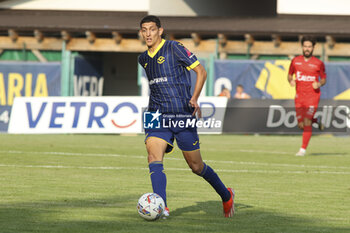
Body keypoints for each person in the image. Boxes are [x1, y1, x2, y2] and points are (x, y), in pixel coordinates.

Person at [138, 15, 235, 218]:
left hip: (182, 112)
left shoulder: (174, 47)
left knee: (196, 166)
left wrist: (195, 98)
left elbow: (201, 71)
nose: (148, 33)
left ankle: (226, 195)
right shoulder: (143, 59)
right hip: (156, 114)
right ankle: (161, 207)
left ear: (160, 31)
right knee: (153, 157)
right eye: (144, 30)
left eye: (152, 29)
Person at [288, 36, 326, 156]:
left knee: (306, 122)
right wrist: (291, 81)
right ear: (302, 47)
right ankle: (316, 120)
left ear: (313, 48)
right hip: (299, 97)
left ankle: (302, 150)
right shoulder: (295, 61)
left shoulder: (318, 63)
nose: (307, 49)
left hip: (312, 97)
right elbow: (289, 75)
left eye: (309, 46)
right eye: (305, 46)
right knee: (301, 125)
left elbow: (324, 79)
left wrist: (319, 83)